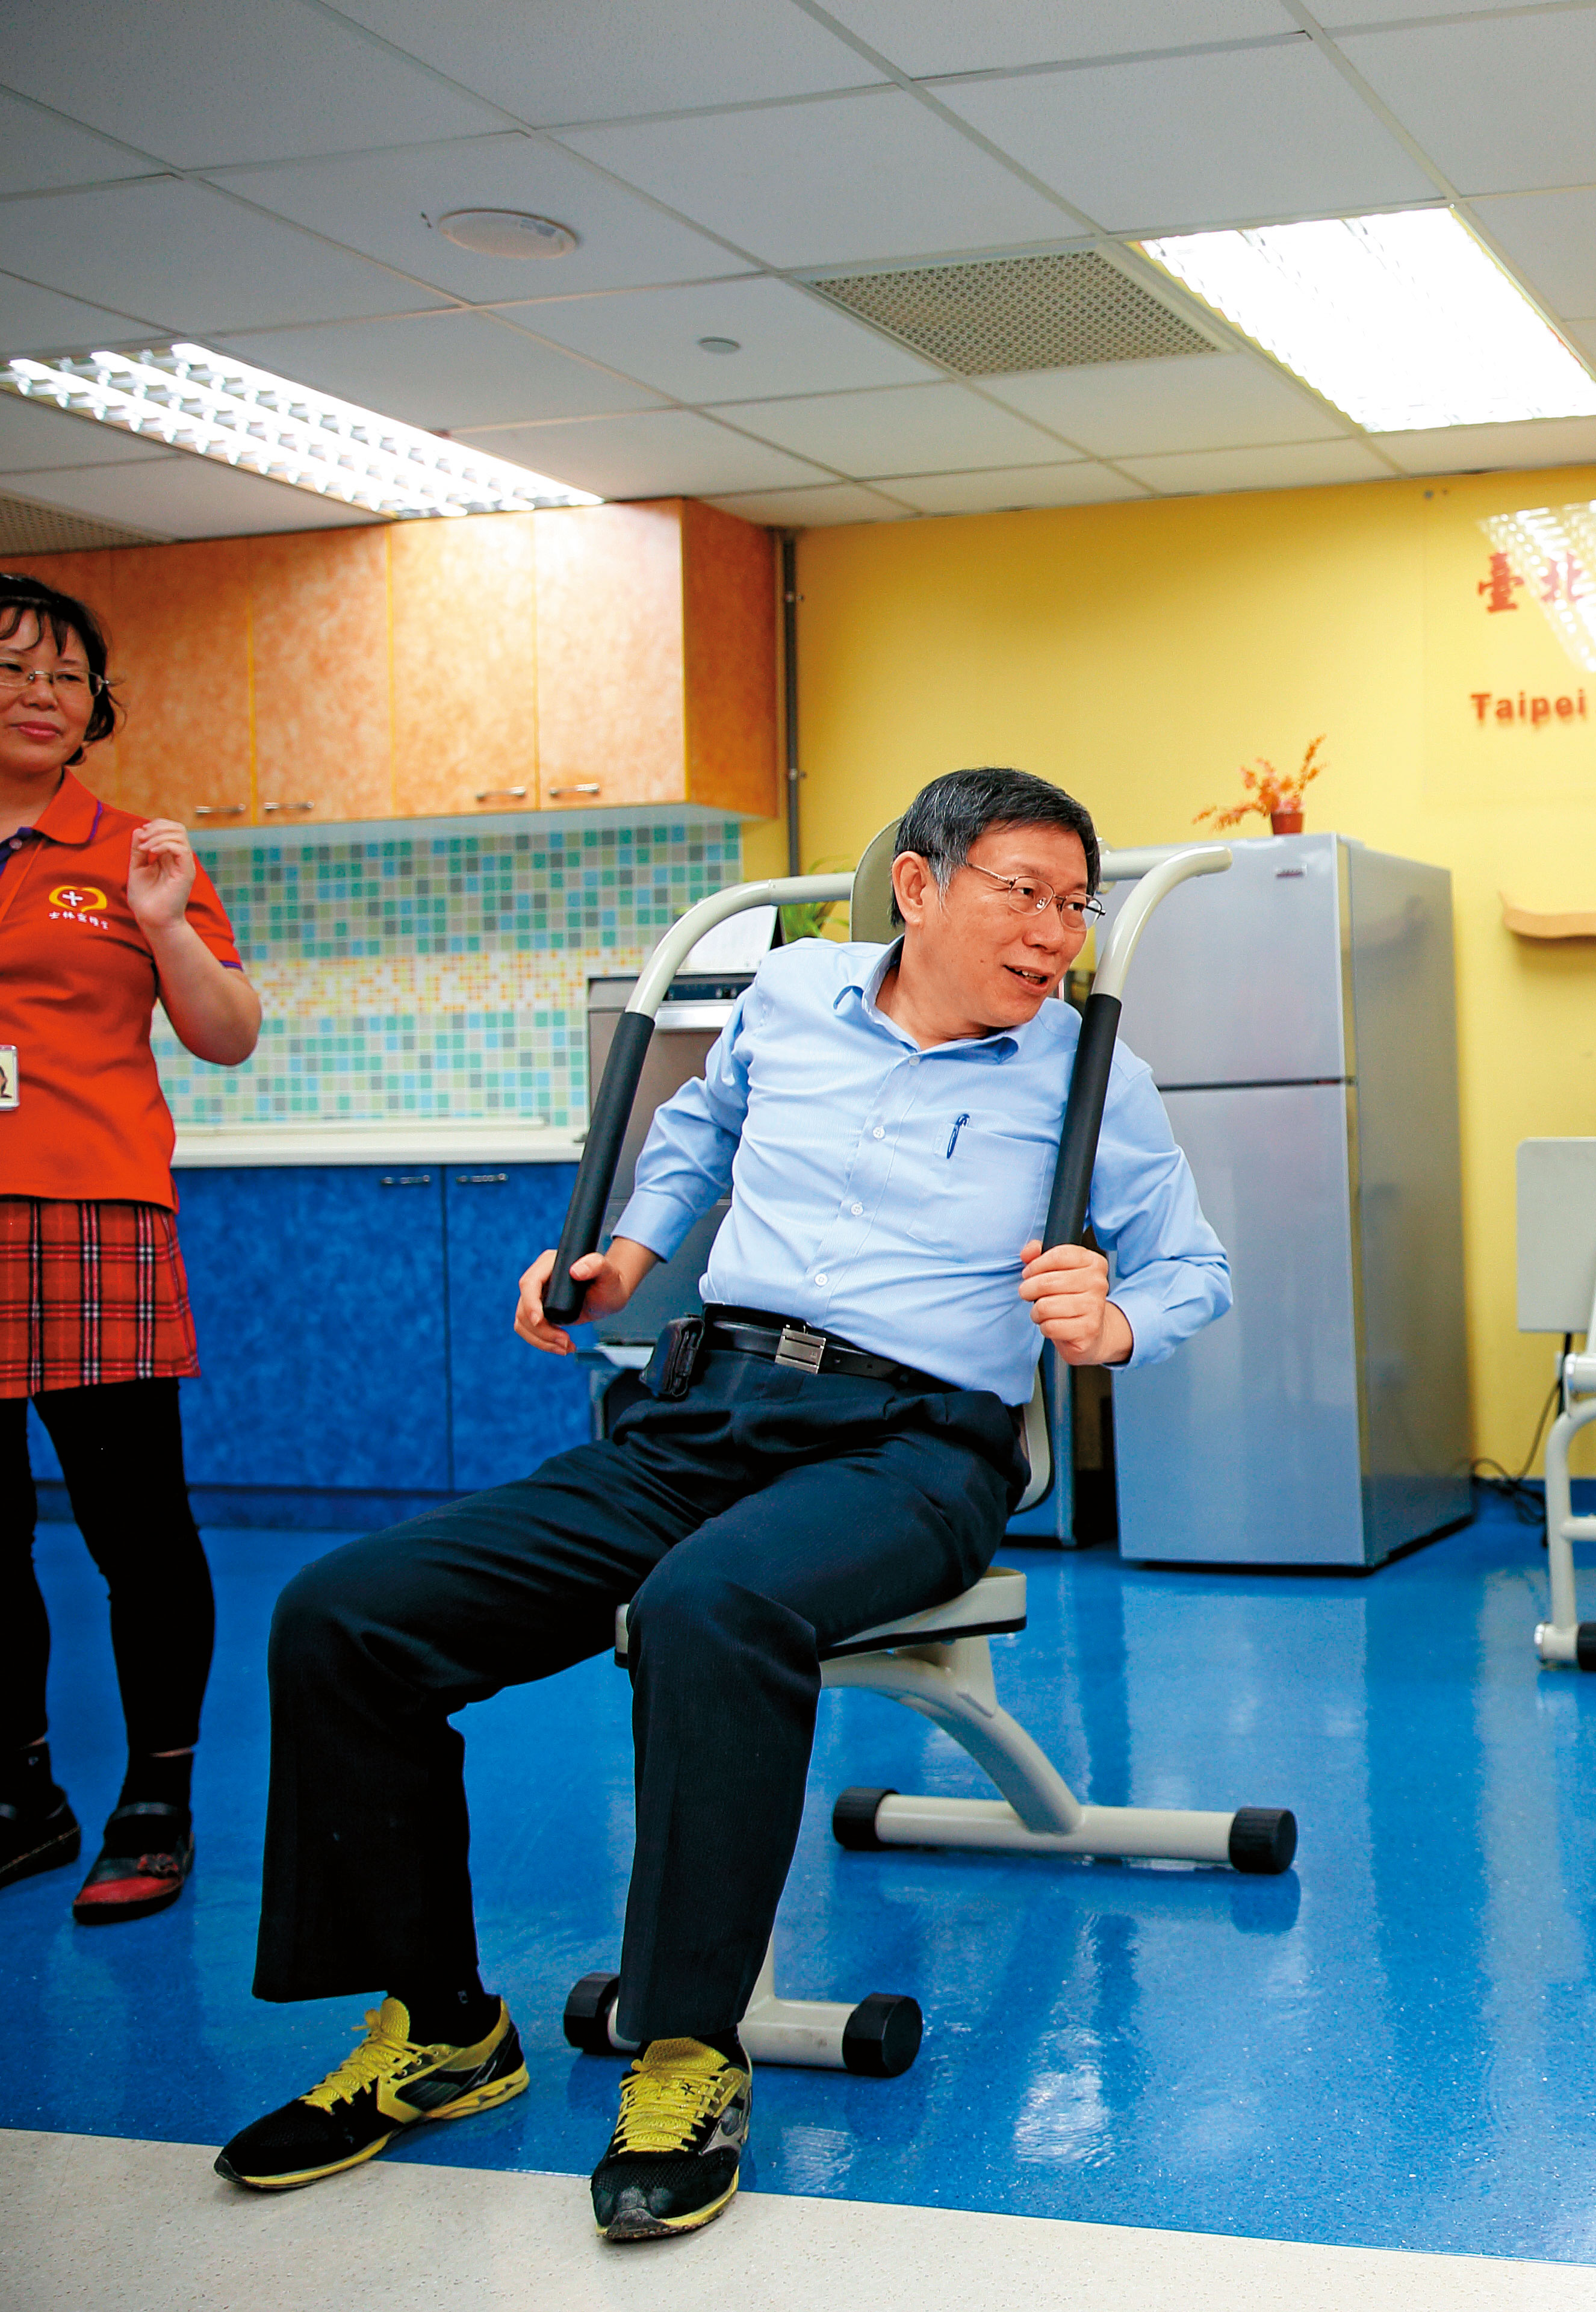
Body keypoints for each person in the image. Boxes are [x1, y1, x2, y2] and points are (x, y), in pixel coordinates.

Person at [214, 768, 1230, 2243]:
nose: (1054, 933)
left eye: (1076, 906)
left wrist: (1115, 1318)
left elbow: (1193, 1266)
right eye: (1025, 893)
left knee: (711, 1603)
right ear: (919, 886)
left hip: (916, 1446)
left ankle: (689, 2047)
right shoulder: (795, 996)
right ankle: (441, 2027)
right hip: (703, 1415)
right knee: (345, 1614)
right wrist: (625, 1257)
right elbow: (699, 1125)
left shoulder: (1086, 1070)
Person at [0, 571, 261, 1927]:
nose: (41, 695)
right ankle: (21, 1792)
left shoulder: (135, 853)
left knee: (136, 1530)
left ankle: (156, 1799)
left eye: (65, 674)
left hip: (91, 1216)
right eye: (12, 668)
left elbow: (226, 1034)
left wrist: (162, 924)